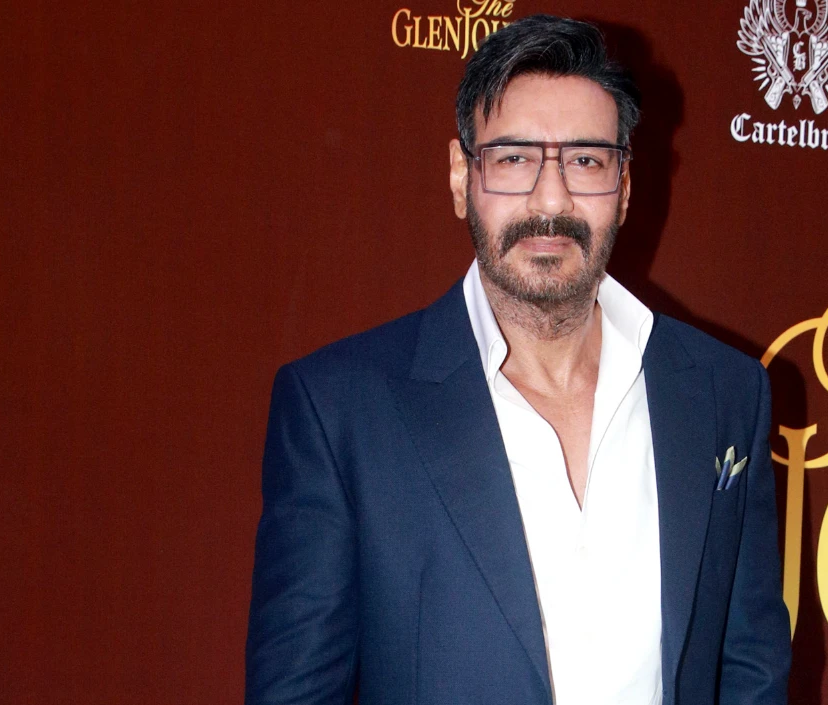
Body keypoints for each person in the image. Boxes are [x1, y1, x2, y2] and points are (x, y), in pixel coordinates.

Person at [245, 14, 790, 705]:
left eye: (586, 160)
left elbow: (750, 669)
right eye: (514, 159)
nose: (551, 199)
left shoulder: (724, 392)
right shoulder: (339, 412)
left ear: (624, 185)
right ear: (460, 176)